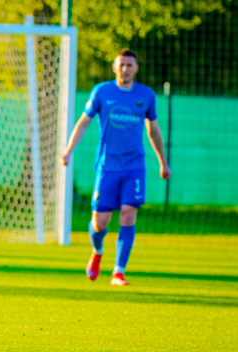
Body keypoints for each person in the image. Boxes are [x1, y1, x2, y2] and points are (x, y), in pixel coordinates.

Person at [61, 48, 171, 286]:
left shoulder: (147, 95)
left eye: (129, 65)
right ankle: (97, 251)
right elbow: (83, 123)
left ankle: (118, 272)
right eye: (121, 65)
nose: (125, 69)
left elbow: (153, 131)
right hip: (107, 167)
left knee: (128, 214)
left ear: (136, 68)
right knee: (100, 222)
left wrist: (163, 162)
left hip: (134, 166)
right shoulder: (102, 92)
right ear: (114, 67)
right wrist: (69, 150)